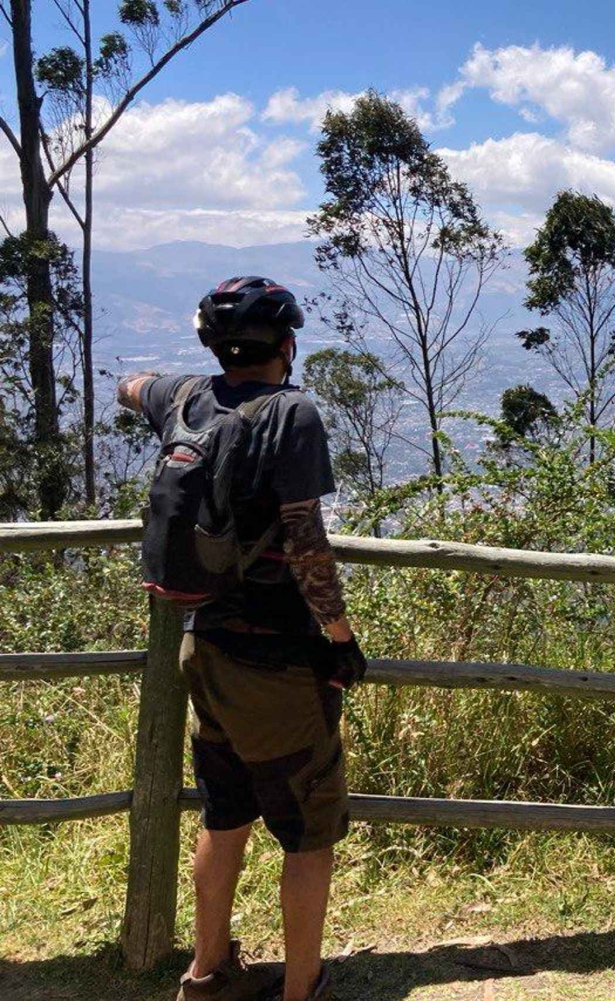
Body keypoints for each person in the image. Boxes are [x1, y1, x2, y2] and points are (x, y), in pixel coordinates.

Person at [118, 276, 368, 1001]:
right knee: (306, 827)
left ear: (212, 344)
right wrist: (341, 636)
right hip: (275, 657)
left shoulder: (187, 396)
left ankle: (206, 974)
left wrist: (151, 392)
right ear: (287, 345)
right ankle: (300, 988)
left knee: (224, 813)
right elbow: (306, 541)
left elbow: (129, 387)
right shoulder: (291, 413)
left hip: (205, 646)